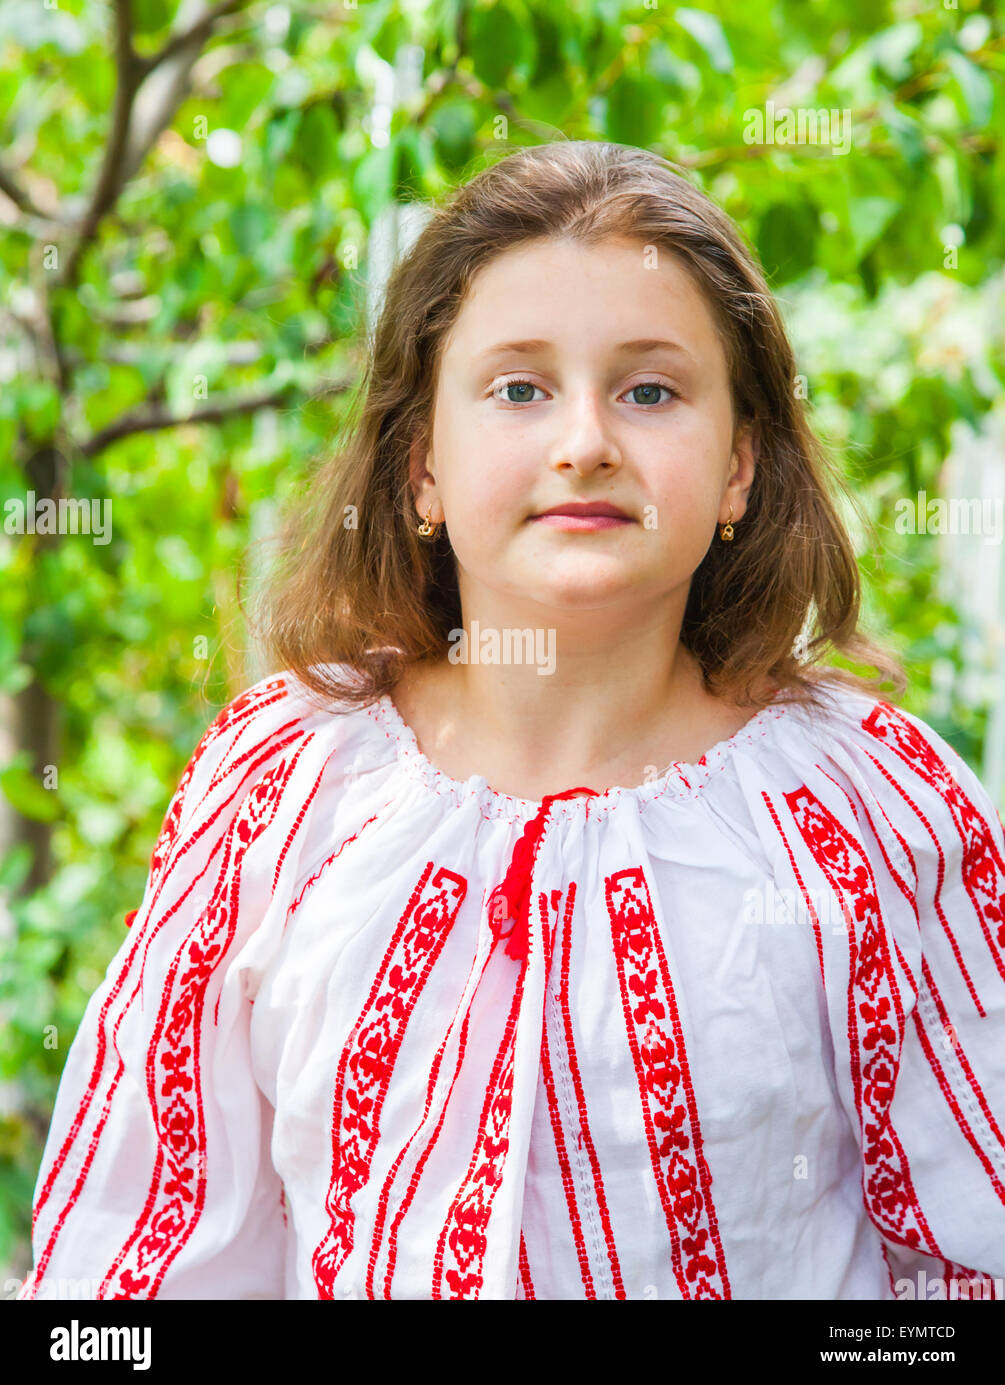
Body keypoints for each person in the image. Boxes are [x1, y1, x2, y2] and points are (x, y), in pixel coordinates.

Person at [19, 141, 1005, 1301]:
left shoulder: (876, 812)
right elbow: (149, 1256)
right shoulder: (281, 790)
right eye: (519, 388)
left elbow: (967, 1261)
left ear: (740, 465)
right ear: (421, 467)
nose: (584, 439)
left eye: (650, 389)